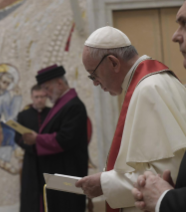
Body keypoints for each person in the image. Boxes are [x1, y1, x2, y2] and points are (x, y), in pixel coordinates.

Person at [75, 26, 186, 212]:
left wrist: (104, 183)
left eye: (93, 75)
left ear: (113, 63)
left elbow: (166, 177)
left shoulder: (150, 89)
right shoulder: (153, 82)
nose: (95, 83)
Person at [132, 3, 186, 212]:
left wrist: (166, 200)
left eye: (184, 24)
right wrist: (175, 191)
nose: (175, 36)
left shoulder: (151, 87)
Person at [23, 65, 88, 212]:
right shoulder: (62, 104)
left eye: (46, 88)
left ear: (59, 83)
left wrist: (37, 139)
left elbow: (64, 139)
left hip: (68, 174)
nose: (45, 94)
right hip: (58, 175)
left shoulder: (74, 106)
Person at [14, 84, 50, 212]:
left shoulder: (52, 113)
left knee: (50, 192)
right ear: (31, 97)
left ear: (46, 97)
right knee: (30, 193)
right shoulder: (23, 115)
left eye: (42, 97)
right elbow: (18, 137)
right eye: (36, 97)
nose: (39, 99)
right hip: (31, 159)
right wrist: (32, 148)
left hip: (49, 160)